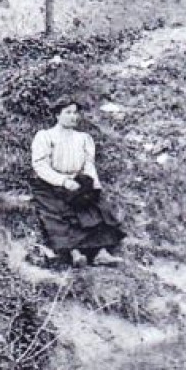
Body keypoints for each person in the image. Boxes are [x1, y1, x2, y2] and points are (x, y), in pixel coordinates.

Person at [31, 100, 124, 268]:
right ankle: (75, 253)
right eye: (68, 112)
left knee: (95, 208)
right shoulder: (45, 136)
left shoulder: (83, 138)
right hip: (51, 183)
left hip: (76, 182)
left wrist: (93, 185)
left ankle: (101, 253)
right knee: (60, 212)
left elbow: (88, 165)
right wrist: (63, 181)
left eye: (75, 112)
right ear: (57, 115)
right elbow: (40, 166)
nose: (73, 116)